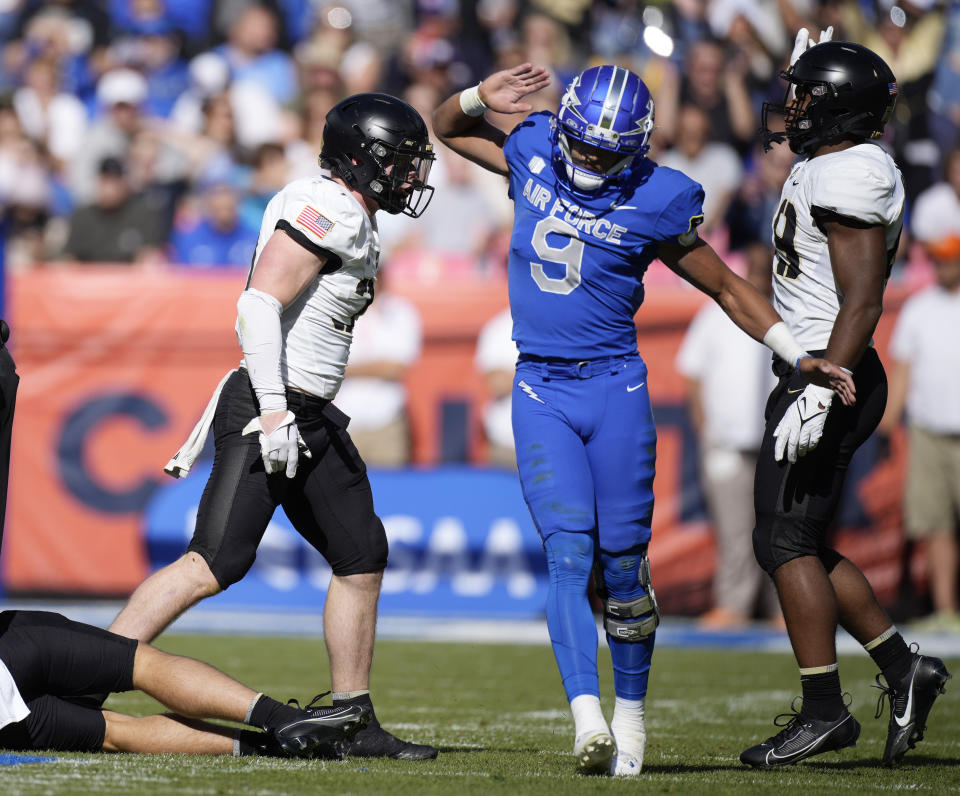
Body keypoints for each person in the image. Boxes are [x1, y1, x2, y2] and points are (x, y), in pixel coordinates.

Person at [432, 62, 854, 777]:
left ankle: (631, 720)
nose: (591, 160)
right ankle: (587, 720)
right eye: (584, 146)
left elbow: (724, 284)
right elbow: (445, 127)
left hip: (616, 389)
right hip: (541, 388)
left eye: (607, 150)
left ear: (636, 145)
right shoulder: (532, 148)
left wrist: (794, 352)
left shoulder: (657, 198)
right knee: (568, 554)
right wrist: (475, 96)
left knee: (625, 567)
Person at [107, 93, 439, 761]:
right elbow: (258, 308)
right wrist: (272, 409)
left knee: (361, 555)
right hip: (272, 406)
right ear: (361, 159)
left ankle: (352, 718)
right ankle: (77, 676)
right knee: (213, 562)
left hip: (307, 411)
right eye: (400, 163)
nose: (410, 177)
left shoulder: (356, 216)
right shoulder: (325, 207)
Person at [740, 33, 951, 769]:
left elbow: (862, 301)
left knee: (783, 540)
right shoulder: (829, 163)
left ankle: (826, 710)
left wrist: (824, 381)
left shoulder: (854, 172)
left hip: (834, 373)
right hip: (824, 369)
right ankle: (903, 670)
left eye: (806, 95)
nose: (792, 106)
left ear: (840, 109)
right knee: (791, 540)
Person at [0, 609, 365, 756]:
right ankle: (283, 719)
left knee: (116, 732)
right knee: (141, 665)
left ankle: (265, 747)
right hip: (10, 653)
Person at [675, 257, 780, 630]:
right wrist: (705, 429)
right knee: (735, 530)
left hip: (777, 446)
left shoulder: (787, 312)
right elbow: (693, 373)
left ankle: (781, 609)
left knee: (779, 530)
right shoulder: (715, 315)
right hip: (726, 441)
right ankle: (733, 605)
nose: (758, 275)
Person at [878, 233, 960, 634]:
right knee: (937, 525)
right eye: (939, 259)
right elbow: (903, 371)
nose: (945, 266)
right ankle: (946, 610)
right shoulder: (919, 309)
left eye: (951, 259)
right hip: (928, 431)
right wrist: (887, 423)